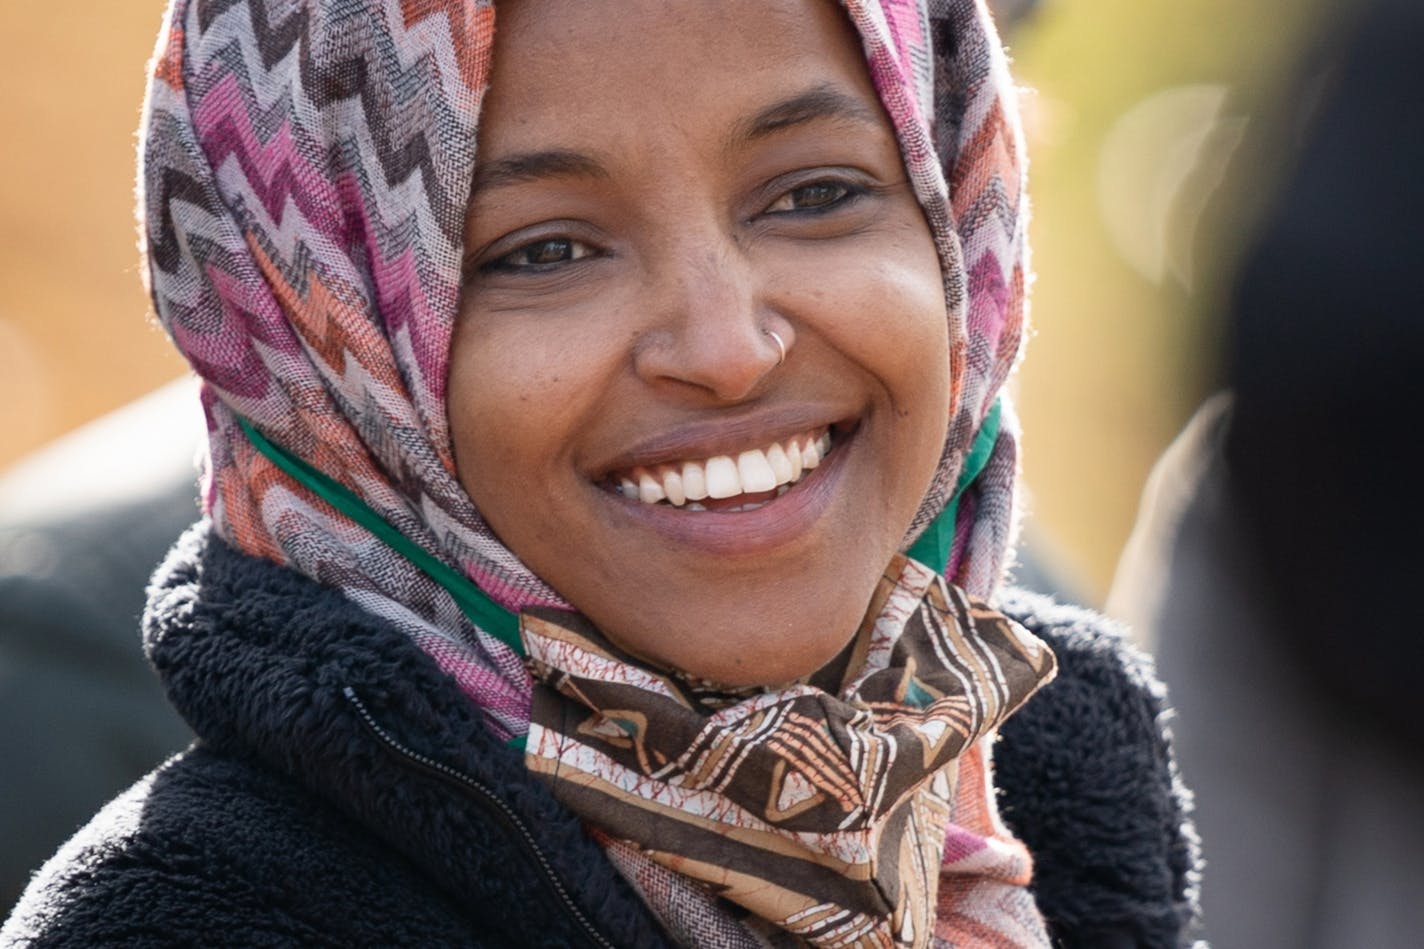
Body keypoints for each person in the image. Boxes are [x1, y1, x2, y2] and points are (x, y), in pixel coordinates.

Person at [2, 1, 1200, 946]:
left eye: (815, 193)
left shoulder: (1039, 751)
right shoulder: (197, 914)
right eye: (546, 251)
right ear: (330, 343)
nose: (727, 348)